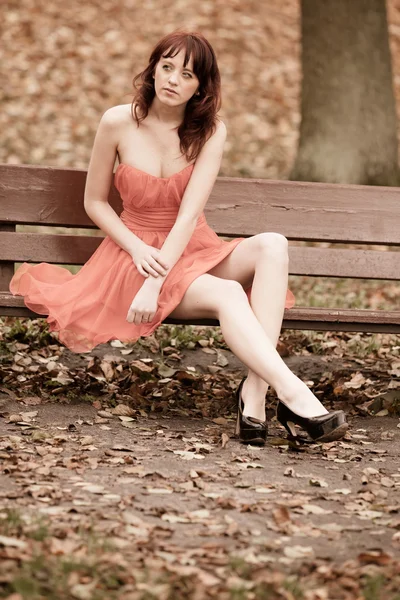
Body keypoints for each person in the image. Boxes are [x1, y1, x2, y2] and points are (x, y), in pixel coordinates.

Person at [9, 31, 348, 446]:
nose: (172, 79)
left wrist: (159, 280)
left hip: (190, 246)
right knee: (228, 294)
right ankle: (294, 393)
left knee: (273, 244)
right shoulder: (117, 121)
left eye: (186, 74)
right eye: (166, 67)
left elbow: (188, 216)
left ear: (200, 86)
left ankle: (256, 393)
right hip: (134, 257)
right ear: (153, 69)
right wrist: (140, 256)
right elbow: (95, 202)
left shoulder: (209, 132)